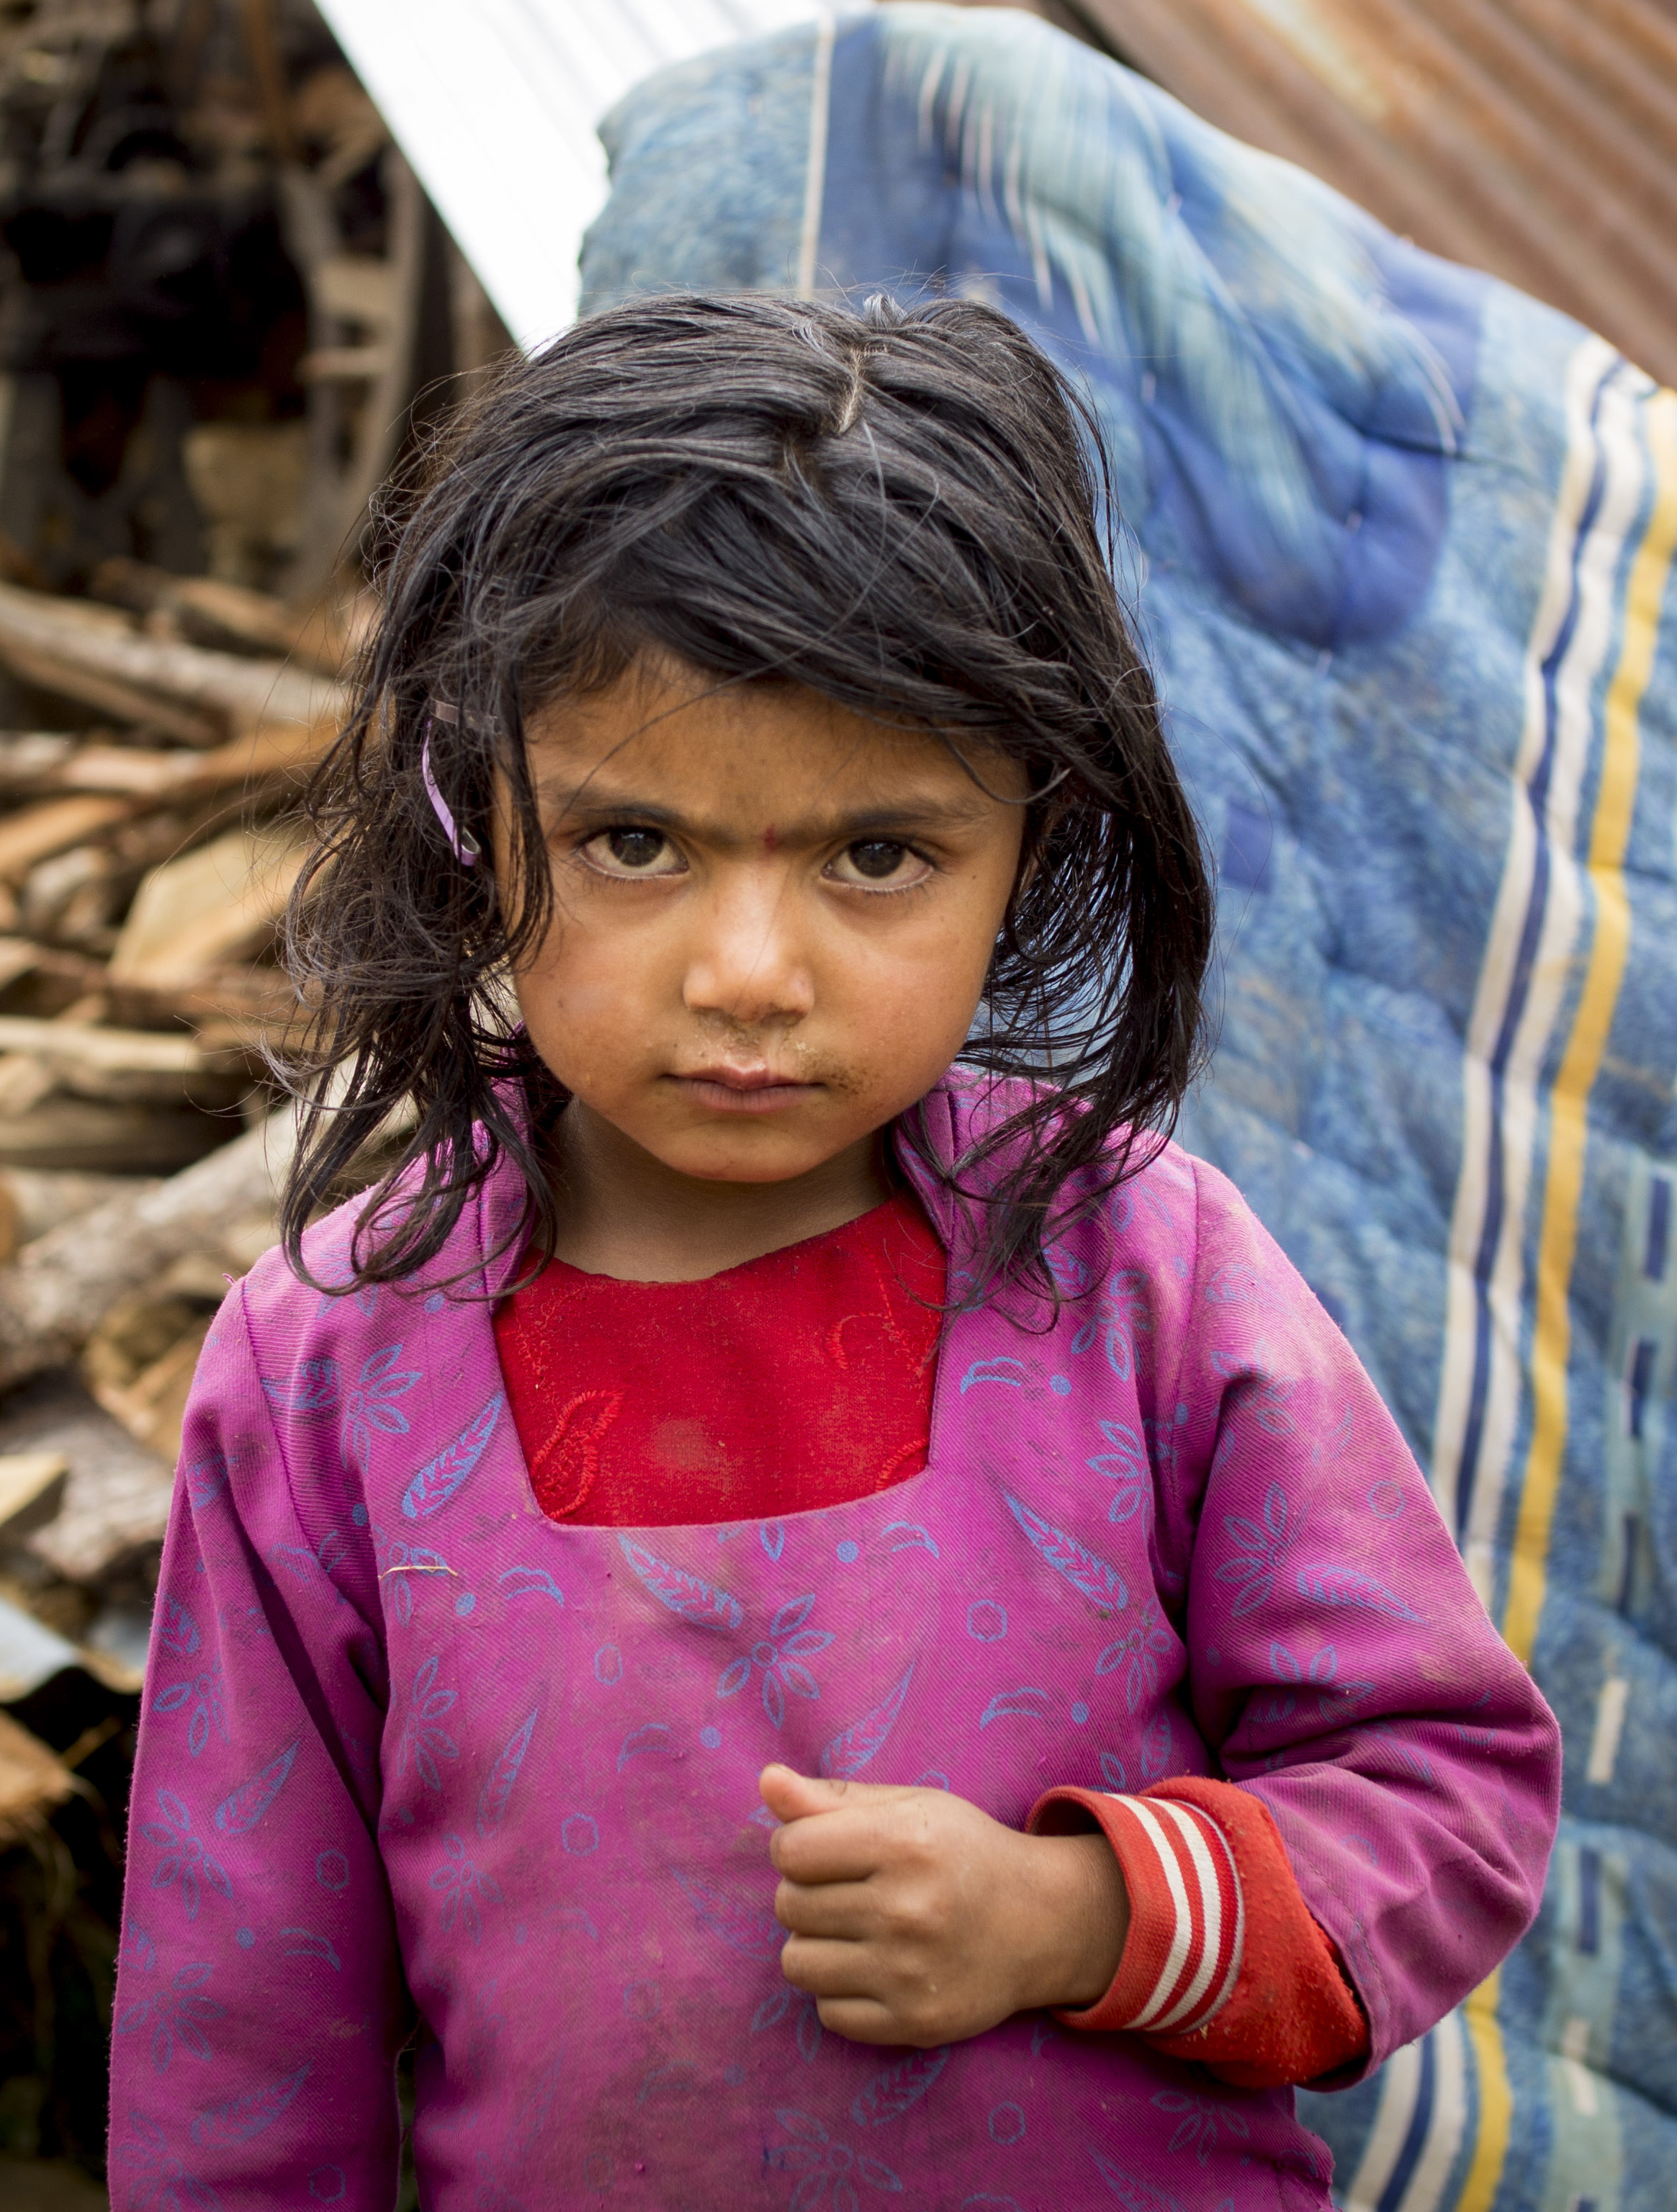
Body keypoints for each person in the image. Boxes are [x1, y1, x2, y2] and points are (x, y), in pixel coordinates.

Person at [112, 292, 1559, 2207]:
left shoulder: (1139, 1279)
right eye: (634, 843)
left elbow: (1444, 1796)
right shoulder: (332, 1374)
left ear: (1030, 848)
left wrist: (1076, 1916)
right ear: (480, 815)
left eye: (876, 857)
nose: (748, 974)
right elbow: (239, 2029)